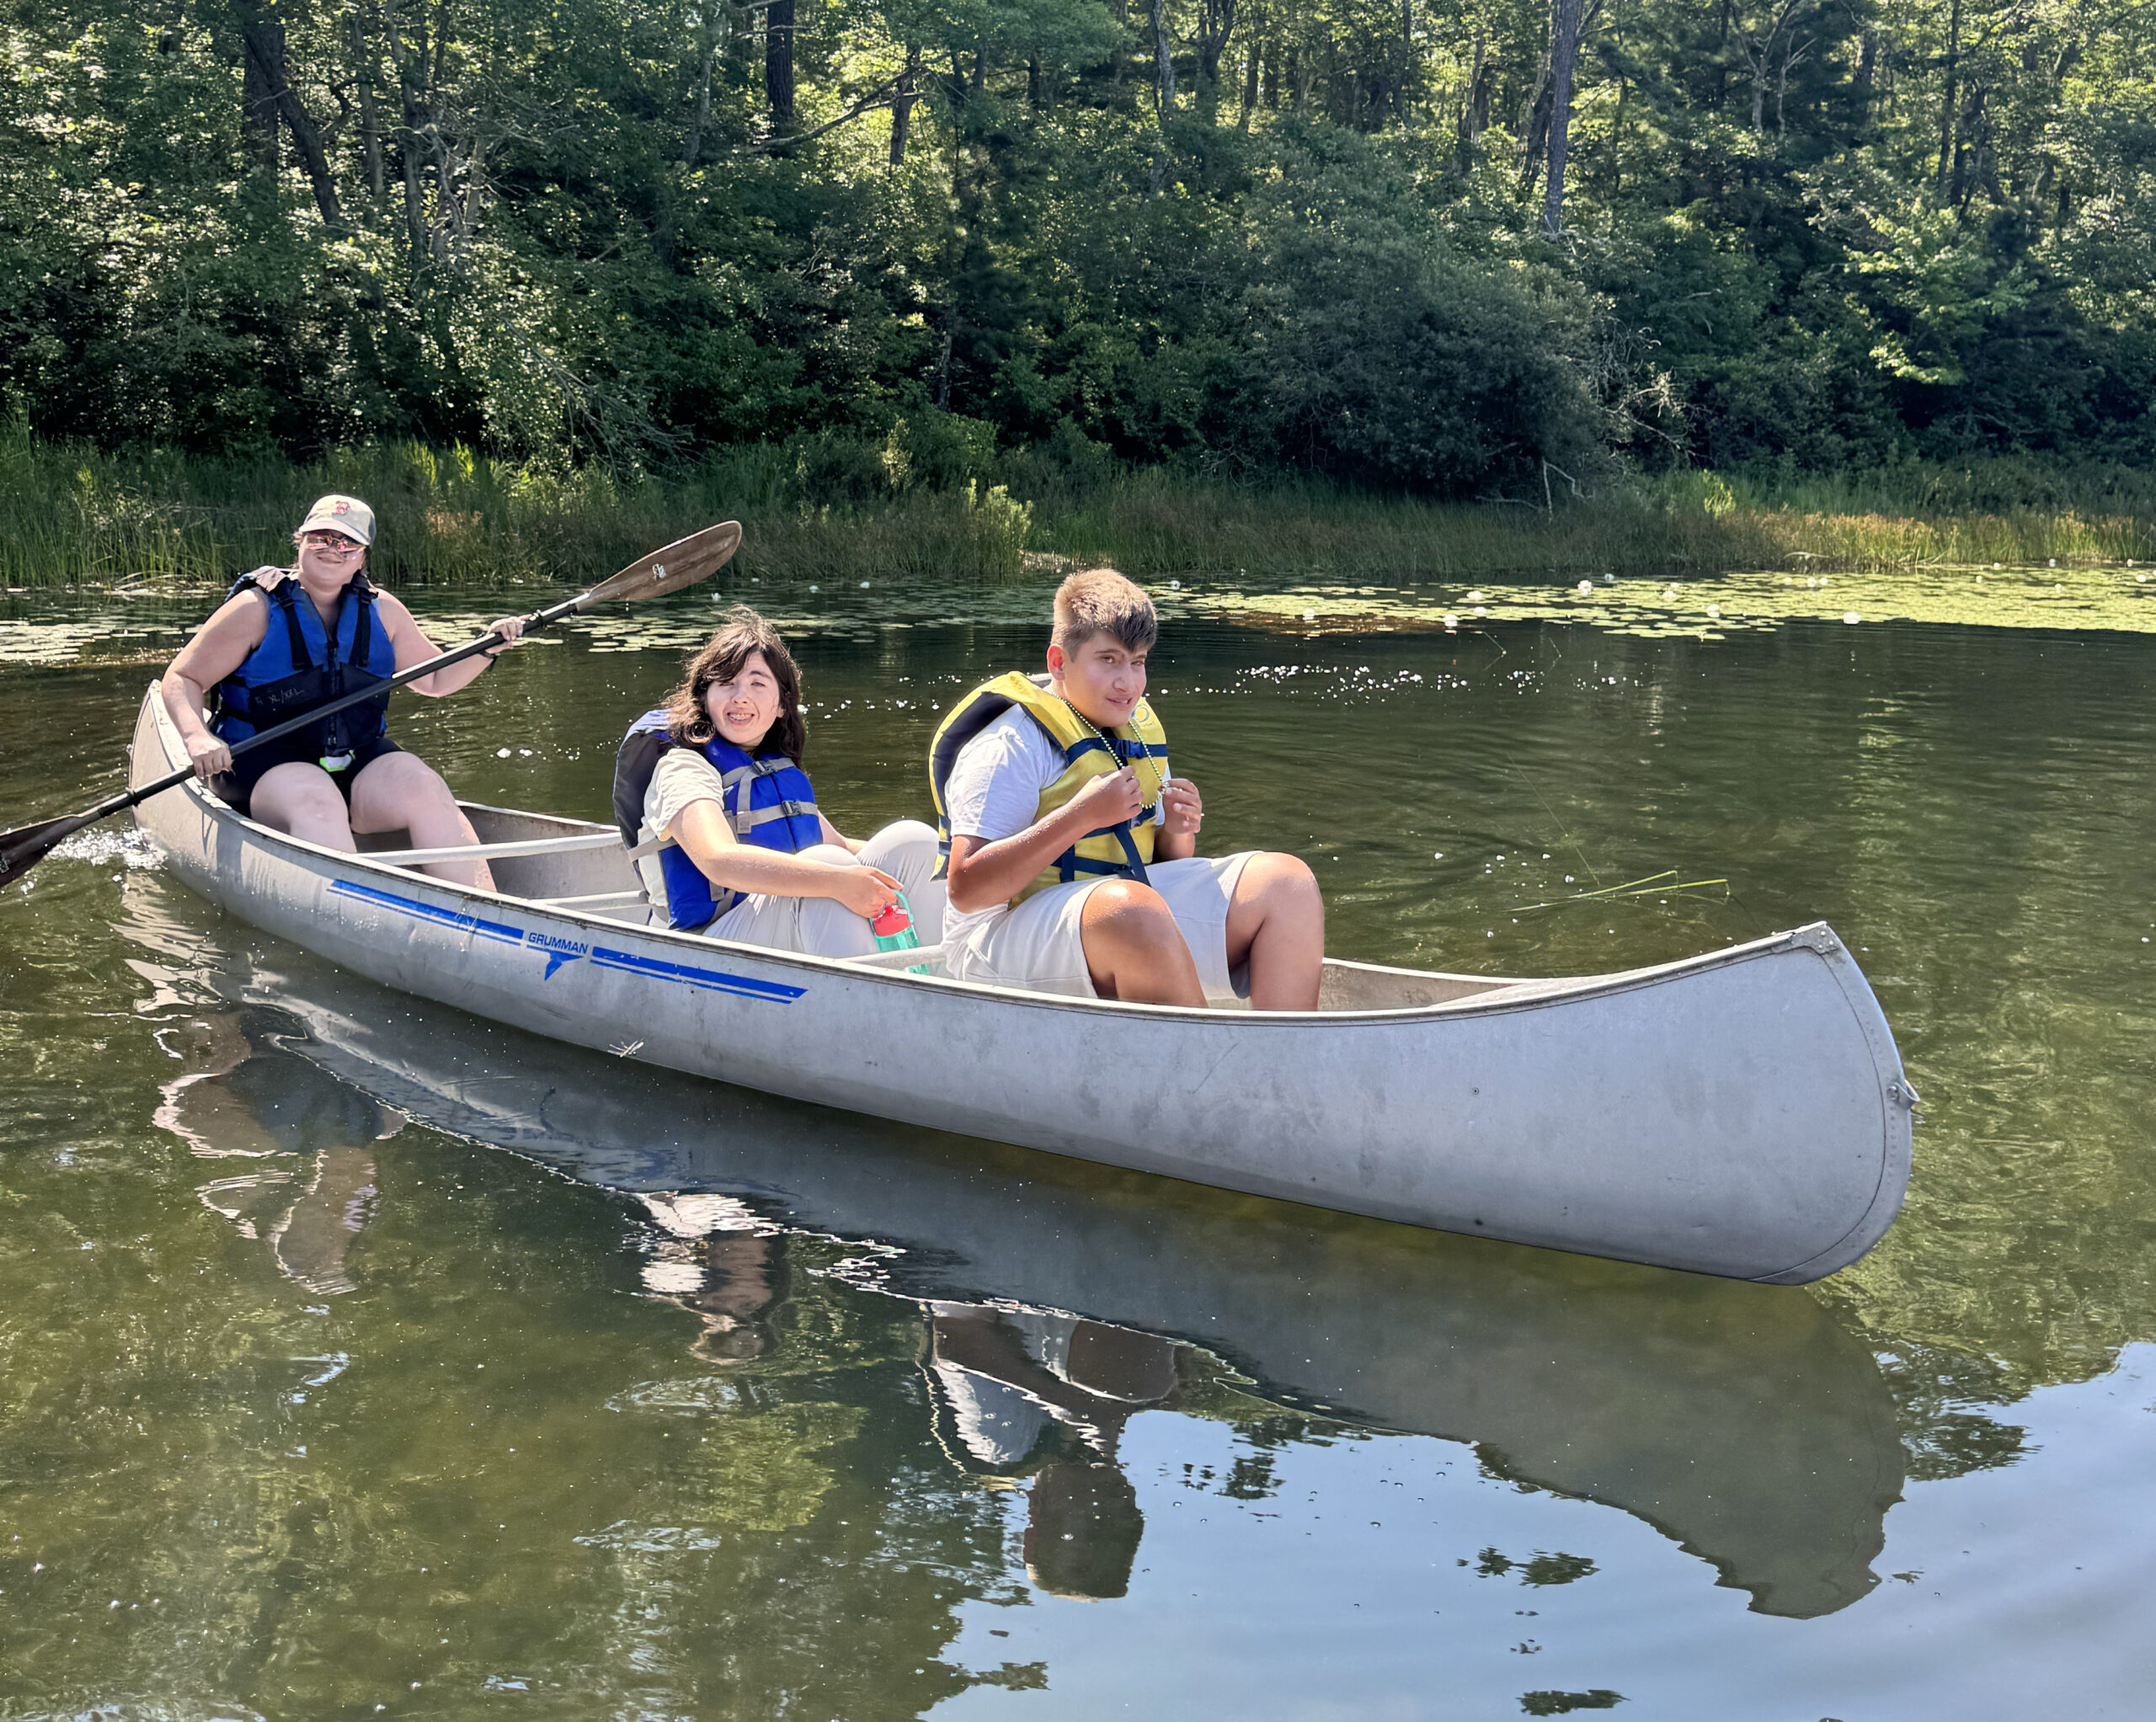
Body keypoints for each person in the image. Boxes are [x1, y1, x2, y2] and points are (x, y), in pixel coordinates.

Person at [928, 567, 1325, 1009]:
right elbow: (965, 889)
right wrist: (1082, 815)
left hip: (1116, 912)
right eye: (1109, 660)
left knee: (1286, 885)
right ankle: (1208, 1069)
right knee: (1132, 910)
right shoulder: (1010, 745)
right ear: (1058, 662)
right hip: (991, 942)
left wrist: (1176, 830)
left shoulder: (1132, 726)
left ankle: (1277, 1067)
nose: (1128, 683)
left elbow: (1157, 863)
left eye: (1138, 662)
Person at [159, 493, 530, 892]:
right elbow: (182, 677)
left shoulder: (383, 610)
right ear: (300, 541)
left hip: (355, 757)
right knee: (318, 802)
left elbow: (435, 680)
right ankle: (356, 914)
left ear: (362, 556)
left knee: (426, 788)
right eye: (321, 537)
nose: (334, 549)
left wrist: (486, 647)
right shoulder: (254, 609)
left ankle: (482, 910)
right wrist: (197, 737)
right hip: (263, 764)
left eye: (347, 542)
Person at [614, 605, 945, 958]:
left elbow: (844, 847)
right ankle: (873, 999)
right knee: (829, 867)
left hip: (763, 927)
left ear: (782, 705)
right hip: (702, 944)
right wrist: (837, 881)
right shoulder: (682, 767)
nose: (740, 695)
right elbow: (718, 860)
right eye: (726, 683)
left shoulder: (769, 769)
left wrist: (951, 861)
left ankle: (933, 980)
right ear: (705, 698)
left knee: (917, 842)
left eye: (757, 683)